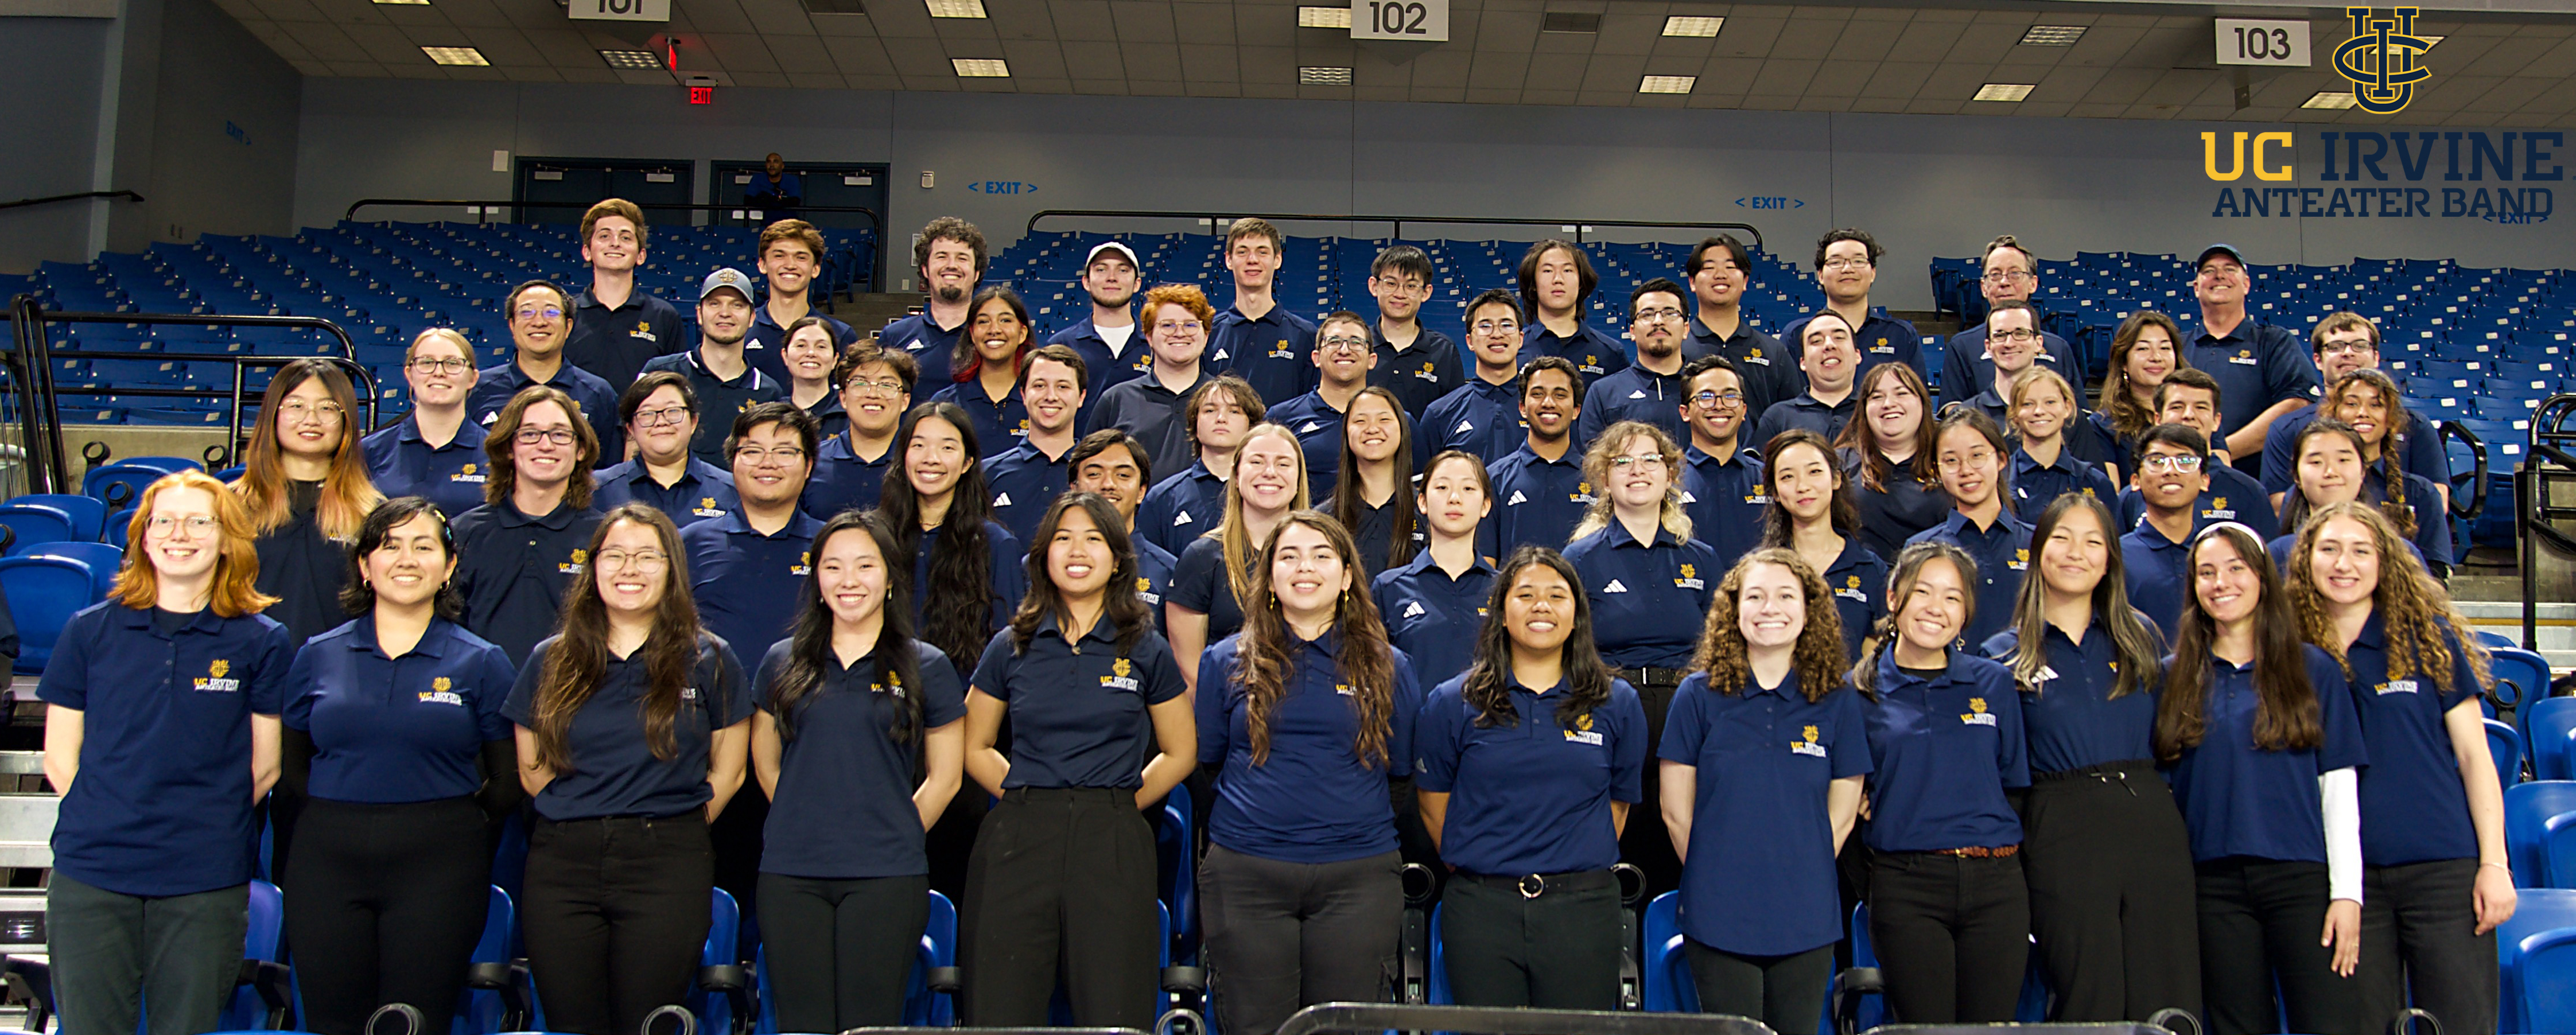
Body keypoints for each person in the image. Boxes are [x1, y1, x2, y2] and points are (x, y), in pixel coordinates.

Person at [40, 471, 296, 1035]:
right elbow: (60, 757)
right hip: (94, 873)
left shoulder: (261, 640)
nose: (180, 533)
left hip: (204, 877)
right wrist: (115, 818)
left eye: (199, 520)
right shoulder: (89, 631)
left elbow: (266, 765)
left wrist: (201, 826)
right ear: (144, 536)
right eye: (165, 521)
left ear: (227, 536)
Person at [505, 504, 753, 1035]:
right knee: (572, 1022)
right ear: (592, 568)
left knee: (649, 1020)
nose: (629, 569)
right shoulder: (551, 659)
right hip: (562, 863)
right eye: (614, 556)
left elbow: (729, 772)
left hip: (668, 863)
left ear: (672, 569)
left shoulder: (709, 658)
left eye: (646, 557)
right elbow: (532, 769)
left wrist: (669, 823)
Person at [278, 497, 521, 1035]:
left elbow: (507, 781)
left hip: (440, 863)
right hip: (326, 860)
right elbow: (293, 766)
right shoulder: (317, 655)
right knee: (332, 1020)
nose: (406, 559)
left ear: (449, 565)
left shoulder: (482, 662)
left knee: (416, 1021)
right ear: (364, 566)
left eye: (423, 546)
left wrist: (447, 821)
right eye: (389, 546)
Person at [961, 492, 1195, 1028]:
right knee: (1000, 1008)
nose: (1077, 550)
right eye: (1063, 538)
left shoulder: (1146, 647)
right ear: (1043, 554)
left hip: (1111, 837)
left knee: (1112, 1007)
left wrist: (1115, 801)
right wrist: (1023, 794)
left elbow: (1182, 751)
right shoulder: (1010, 645)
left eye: (1093, 538)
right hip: (1019, 838)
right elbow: (973, 746)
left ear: (1117, 557)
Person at [2287, 501, 2512, 1035]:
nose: (2345, 564)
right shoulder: (2287, 651)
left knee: (2460, 1023)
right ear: (2305, 562)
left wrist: (2494, 864)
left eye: (2361, 551)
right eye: (2330, 549)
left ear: (2384, 562)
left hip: (2442, 868)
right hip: (2343, 881)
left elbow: (2474, 757)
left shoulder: (2427, 637)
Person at [1196, 510, 1417, 1034]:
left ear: (1346, 577)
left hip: (1357, 879)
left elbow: (1401, 773)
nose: (1305, 567)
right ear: (1268, 575)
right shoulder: (1225, 660)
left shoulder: (1390, 665)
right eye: (1289, 556)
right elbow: (1206, 767)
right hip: (1246, 876)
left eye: (1322, 556)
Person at [1980, 495, 2200, 1022]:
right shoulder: (1999, 655)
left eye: (2093, 541)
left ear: (2109, 559)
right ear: (2037, 552)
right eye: (2062, 538)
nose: (2076, 552)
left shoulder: (2140, 635)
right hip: (2060, 828)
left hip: (2150, 819)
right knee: (2086, 989)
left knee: (2167, 990)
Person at [749, 509, 966, 1034]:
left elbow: (946, 776)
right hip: (791, 873)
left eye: (865, 566)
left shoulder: (927, 665)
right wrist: (804, 817)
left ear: (890, 578)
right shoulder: (783, 661)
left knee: (870, 1024)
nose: (849, 581)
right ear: (816, 578)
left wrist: (895, 830)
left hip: (887, 876)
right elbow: (765, 759)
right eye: (833, 567)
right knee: (801, 1024)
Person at [2151, 521, 2367, 1035]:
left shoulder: (2312, 669)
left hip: (2302, 881)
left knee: (2328, 1021)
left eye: (2235, 568)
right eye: (2206, 573)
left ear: (2263, 579)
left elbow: (2337, 791)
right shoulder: (2169, 675)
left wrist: (2347, 895)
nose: (2220, 582)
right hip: (2212, 885)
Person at [1417, 546, 1648, 1008]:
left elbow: (1617, 806)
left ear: (1577, 615)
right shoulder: (1451, 702)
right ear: (1501, 613)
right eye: (1524, 594)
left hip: (1584, 910)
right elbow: (1432, 800)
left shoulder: (1615, 702)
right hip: (1481, 910)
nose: (1541, 605)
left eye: (1557, 595)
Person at [1660, 548, 1867, 1035]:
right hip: (1717, 911)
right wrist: (1717, 878)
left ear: (1808, 608)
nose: (1769, 608)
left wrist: (1799, 872)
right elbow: (1674, 810)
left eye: (1784, 596)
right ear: (1733, 611)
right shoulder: (1696, 694)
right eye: (1754, 596)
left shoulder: (1837, 699)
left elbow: (1842, 813)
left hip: (1807, 911)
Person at [1851, 540, 2030, 1024]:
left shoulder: (1992, 683)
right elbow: (1845, 796)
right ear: (1893, 598)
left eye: (1952, 597)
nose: (1936, 608)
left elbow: (2013, 784)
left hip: (1997, 885)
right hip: (1906, 886)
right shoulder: (1857, 692)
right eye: (1923, 592)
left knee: (1989, 1029)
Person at [1562, 420, 1718, 897]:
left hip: (1686, 707)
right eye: (1622, 461)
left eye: (1651, 459)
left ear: (1670, 474)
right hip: (1612, 705)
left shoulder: (1703, 558)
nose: (1637, 470)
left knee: (1684, 831)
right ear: (1603, 479)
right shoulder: (1579, 558)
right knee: (1618, 841)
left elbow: (1721, 645)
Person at [682, 404, 826, 710]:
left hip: (807, 714)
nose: (768, 464)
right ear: (732, 462)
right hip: (708, 717)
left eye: (785, 453)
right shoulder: (690, 542)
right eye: (752, 452)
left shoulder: (832, 546)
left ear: (809, 465)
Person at [452, 387, 608, 666]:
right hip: (482, 699)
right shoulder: (464, 533)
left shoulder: (605, 537)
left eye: (560, 434)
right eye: (529, 434)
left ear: (581, 449)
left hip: (574, 697)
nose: (545, 445)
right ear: (508, 448)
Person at [235, 359, 383, 644]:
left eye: (327, 408)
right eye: (296, 406)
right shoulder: (230, 506)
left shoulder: (373, 514)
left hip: (339, 674)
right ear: (272, 416)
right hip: (246, 670)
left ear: (346, 421)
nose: (311, 419)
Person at [879, 402, 1025, 681]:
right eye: (919, 446)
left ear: (967, 463)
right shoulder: (877, 537)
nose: (931, 458)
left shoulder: (996, 544)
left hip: (962, 706)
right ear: (903, 456)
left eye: (947, 448)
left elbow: (1009, 649)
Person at [1168, 422, 1310, 696]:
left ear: (1298, 479)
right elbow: (1190, 670)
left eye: (1283, 464)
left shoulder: (1321, 559)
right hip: (1228, 714)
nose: (1270, 473)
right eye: (1257, 462)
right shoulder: (1202, 558)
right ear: (1235, 475)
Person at [2263, 313, 2449, 513]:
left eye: (2360, 346)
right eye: (2336, 347)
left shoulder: (2415, 425)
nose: (2348, 353)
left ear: (2376, 357)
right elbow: (2276, 504)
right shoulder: (2287, 428)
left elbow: (2437, 501)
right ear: (2317, 359)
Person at [2183, 245, 2315, 477]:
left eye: (2230, 269)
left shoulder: (2274, 341)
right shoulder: (2176, 347)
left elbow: (2297, 404)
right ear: (2196, 288)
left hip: (2259, 480)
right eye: (2209, 271)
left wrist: (2220, 453)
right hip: (2184, 478)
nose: (2220, 276)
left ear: (2246, 285)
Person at [1373, 450, 1497, 698]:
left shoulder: (1506, 590)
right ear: (1422, 502)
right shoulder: (1389, 589)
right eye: (1442, 488)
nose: (1454, 498)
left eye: (1468, 489)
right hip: (1412, 732)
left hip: (1489, 731)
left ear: (1486, 506)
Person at [1907, 410, 2033, 651]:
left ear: (2002, 460)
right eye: (1951, 461)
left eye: (1977, 456)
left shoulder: (2038, 542)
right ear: (1936, 470)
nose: (1966, 470)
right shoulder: (1920, 550)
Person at [640, 268, 790, 466]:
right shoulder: (661, 373)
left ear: (752, 317)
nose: (725, 313)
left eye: (737, 305)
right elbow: (635, 441)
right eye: (714, 304)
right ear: (700, 314)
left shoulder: (768, 392)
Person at [1763, 429, 1887, 663]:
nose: (1803, 486)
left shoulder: (1870, 569)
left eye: (1815, 472)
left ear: (1837, 479)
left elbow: (1875, 663)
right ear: (1775, 493)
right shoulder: (1759, 570)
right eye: (1788, 477)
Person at [466, 279, 622, 463]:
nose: (539, 322)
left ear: (568, 326)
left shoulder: (599, 394)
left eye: (552, 312)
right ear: (512, 325)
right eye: (527, 312)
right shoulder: (478, 391)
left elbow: (609, 470)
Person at [2114, 369, 2278, 542]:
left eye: (2201, 407)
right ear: (2158, 419)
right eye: (2177, 407)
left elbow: (2264, 563)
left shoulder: (2248, 492)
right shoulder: (2133, 496)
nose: (2189, 415)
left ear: (2216, 421)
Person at [2273, 419, 2447, 577]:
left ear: (2363, 471)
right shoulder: (2277, 554)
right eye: (2316, 462)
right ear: (2297, 476)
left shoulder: (2400, 553)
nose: (2331, 472)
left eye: (2343, 460)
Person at [1094, 283, 1221, 483]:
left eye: (1190, 325)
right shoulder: (1116, 400)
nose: (1179, 333)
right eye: (1167, 325)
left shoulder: (1227, 401)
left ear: (1205, 336)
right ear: (1149, 337)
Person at [1940, 235, 2077, 413]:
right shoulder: (1962, 346)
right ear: (1984, 287)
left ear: (2033, 283)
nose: (2004, 282)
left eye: (2015, 274)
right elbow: (1953, 411)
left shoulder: (2059, 348)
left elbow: (2075, 411)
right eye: (1995, 275)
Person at [364, 328, 492, 519]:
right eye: (427, 362)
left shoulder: (498, 453)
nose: (439, 372)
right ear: (409, 375)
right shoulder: (370, 451)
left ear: (473, 378)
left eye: (452, 363)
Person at [565, 199, 685, 391]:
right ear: (587, 251)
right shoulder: (565, 314)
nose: (615, 244)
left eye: (626, 238)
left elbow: (676, 387)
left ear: (641, 255)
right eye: (604, 236)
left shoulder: (664, 316)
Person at [1834, 361, 1947, 561]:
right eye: (1877, 397)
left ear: (1922, 401)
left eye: (1901, 394)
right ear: (1864, 410)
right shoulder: (1840, 464)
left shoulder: (1949, 458)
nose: (1888, 404)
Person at [1137, 375, 1259, 558]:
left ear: (1251, 424)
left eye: (1234, 412)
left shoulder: (1269, 492)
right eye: (1210, 410)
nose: (1221, 419)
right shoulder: (1163, 498)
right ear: (1195, 422)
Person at [593, 372, 739, 525]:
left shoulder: (731, 490)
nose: (661, 422)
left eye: (673, 411)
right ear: (630, 429)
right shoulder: (598, 489)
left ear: (694, 422)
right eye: (647, 414)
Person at [1068, 430, 1175, 633]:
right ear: (1074, 487)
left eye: (1123, 475)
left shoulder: (1169, 572)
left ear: (1141, 491)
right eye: (1094, 474)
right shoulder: (1042, 565)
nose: (1108, 484)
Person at [1780, 229, 1920, 384]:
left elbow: (1916, 400)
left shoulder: (1902, 335)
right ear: (1820, 275)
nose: (1848, 269)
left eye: (1858, 261)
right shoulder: (1796, 335)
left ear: (1873, 273)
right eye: (1836, 262)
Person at [1268, 310, 1380, 500]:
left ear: (1372, 360)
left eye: (1356, 342)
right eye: (1334, 342)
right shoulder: (1281, 418)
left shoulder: (1396, 422)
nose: (1345, 350)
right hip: (1305, 527)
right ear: (1316, 358)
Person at [984, 344, 1089, 544]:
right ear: (1023, 394)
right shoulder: (988, 474)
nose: (1051, 396)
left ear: (1081, 397)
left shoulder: (1096, 475)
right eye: (1039, 386)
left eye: (1063, 387)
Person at [1683, 234, 1795, 420]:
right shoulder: (1678, 348)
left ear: (1745, 281)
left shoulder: (1774, 352)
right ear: (1692, 282)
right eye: (1709, 267)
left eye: (1730, 267)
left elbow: (1791, 418)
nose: (1720, 275)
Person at [1209, 218, 1319, 407]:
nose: (1252, 260)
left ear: (1278, 260)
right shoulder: (1208, 333)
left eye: (1262, 252)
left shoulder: (1305, 336)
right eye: (1242, 252)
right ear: (1228, 260)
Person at [1485, 357, 1588, 553]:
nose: (1548, 403)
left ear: (1576, 410)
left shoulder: (1599, 480)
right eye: (1538, 394)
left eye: (1560, 395)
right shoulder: (1494, 480)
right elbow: (1486, 561)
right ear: (1522, 407)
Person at [1575, 278, 1692, 450]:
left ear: (1686, 329)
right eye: (1647, 314)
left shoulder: (1705, 388)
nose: (1658, 321)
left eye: (1670, 313)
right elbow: (1594, 465)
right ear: (1632, 332)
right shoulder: (1603, 393)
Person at [2121, 424, 2216, 636]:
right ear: (2135, 481)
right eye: (2157, 461)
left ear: (2204, 480)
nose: (2171, 471)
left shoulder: (2219, 554)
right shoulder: (2116, 556)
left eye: (2185, 461)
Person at [802, 341, 914, 518]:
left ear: (905, 401)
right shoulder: (811, 461)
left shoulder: (920, 462)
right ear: (843, 398)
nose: (873, 394)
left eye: (886, 385)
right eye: (861, 383)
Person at [741, 219, 857, 388]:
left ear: (816, 268)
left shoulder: (841, 335)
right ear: (762, 264)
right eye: (779, 256)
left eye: (801, 257)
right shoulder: (742, 331)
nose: (790, 265)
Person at [1677, 355, 1768, 569]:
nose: (1719, 406)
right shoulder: (1666, 481)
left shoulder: (1770, 479)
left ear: (1744, 410)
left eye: (1730, 396)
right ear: (1685, 412)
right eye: (1706, 397)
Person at [1422, 288, 1529, 464]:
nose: (1497, 334)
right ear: (1470, 341)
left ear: (1520, 339)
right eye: (1485, 326)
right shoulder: (1440, 414)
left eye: (1507, 325)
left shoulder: (1543, 408)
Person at [1324, 386, 1419, 579]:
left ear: (1402, 429)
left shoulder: (1429, 513)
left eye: (1384, 419)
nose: (1373, 429)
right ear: (1346, 433)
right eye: (1360, 421)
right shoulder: (1324, 520)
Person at [931, 287, 1037, 459]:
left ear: (1022, 333)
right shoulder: (946, 403)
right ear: (972, 334)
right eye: (983, 322)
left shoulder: (1041, 401)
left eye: (1005, 320)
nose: (994, 329)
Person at [878, 217, 984, 387]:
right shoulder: (895, 336)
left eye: (962, 258)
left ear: (977, 273)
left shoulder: (992, 336)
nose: (952, 265)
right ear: (925, 270)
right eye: (942, 257)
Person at [1050, 242, 1152, 413]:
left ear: (1137, 284)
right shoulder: (1062, 345)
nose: (1112, 277)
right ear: (1086, 282)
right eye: (1101, 270)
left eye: (1123, 270)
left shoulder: (1157, 342)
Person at [1364, 245, 1460, 419]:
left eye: (1411, 286)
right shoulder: (1358, 346)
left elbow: (1454, 417)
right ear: (1374, 286)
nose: (1400, 294)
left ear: (1426, 292)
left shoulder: (1444, 351)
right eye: (1391, 284)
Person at [2008, 368, 2117, 520]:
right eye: (2028, 404)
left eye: (2050, 402)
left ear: (2067, 408)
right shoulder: (1998, 480)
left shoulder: (2096, 482)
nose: (2039, 411)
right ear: (2014, 414)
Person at [1514, 239, 1629, 385]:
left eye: (1568, 270)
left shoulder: (1611, 352)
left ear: (1581, 283)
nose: (1558, 279)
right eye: (1548, 271)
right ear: (1533, 284)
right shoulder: (1514, 350)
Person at [2091, 311, 2188, 477]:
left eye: (2165, 348)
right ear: (2124, 363)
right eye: (2143, 348)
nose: (2156, 357)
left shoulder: (2196, 414)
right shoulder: (2103, 425)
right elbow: (2109, 495)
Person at [1749, 310, 1863, 448]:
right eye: (1816, 341)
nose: (1829, 345)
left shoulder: (1876, 412)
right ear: (1802, 362)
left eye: (1839, 338)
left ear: (1857, 355)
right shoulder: (1777, 418)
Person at [782, 317, 847, 438]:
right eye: (801, 346)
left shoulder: (851, 413)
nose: (811, 353)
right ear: (785, 356)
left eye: (821, 347)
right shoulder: (773, 415)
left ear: (835, 359)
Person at [746, 153, 803, 220]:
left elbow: (794, 202)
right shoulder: (758, 179)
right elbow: (748, 201)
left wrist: (770, 200)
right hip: (767, 223)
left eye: (775, 162)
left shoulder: (792, 180)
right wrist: (778, 201)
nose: (772, 165)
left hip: (789, 223)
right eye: (769, 162)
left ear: (782, 166)